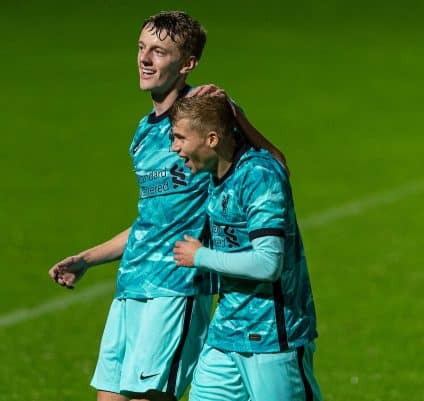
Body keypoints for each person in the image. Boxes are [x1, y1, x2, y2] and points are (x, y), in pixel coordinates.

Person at [48, 11, 287, 401]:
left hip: (177, 288)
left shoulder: (205, 117)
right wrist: (88, 259)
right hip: (132, 283)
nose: (144, 59)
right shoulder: (143, 134)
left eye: (159, 52)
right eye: (142, 48)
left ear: (187, 64)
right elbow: (152, 222)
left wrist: (238, 118)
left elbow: (273, 167)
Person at [170, 95, 321, 401]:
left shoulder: (259, 176)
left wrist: (201, 256)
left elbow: (268, 263)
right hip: (226, 336)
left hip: (272, 339)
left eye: (180, 138)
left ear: (211, 139)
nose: (175, 148)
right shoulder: (214, 172)